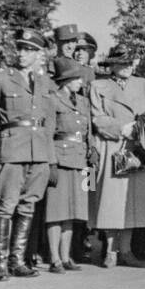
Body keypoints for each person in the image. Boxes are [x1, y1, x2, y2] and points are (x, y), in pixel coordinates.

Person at [0, 27, 59, 281]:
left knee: (28, 205)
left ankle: (17, 260)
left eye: (29, 50)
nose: (22, 54)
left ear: (38, 55)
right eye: (21, 48)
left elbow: (51, 122)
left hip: (40, 151)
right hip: (12, 150)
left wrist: (51, 158)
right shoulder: (0, 78)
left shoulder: (46, 82)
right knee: (6, 205)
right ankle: (0, 263)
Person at [89, 44, 145, 268]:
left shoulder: (142, 84)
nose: (127, 66)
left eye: (130, 62)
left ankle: (126, 250)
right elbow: (96, 117)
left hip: (136, 148)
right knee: (111, 201)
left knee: (132, 202)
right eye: (123, 62)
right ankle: (110, 250)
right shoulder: (98, 85)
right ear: (112, 65)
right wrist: (120, 128)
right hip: (111, 146)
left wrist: (140, 128)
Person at [44, 56, 93, 273]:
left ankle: (67, 256)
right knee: (56, 212)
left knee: (74, 211)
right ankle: (54, 258)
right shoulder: (53, 100)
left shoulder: (83, 102)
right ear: (65, 81)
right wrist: (51, 163)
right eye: (76, 79)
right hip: (61, 159)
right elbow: (48, 133)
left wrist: (92, 152)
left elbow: (88, 131)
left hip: (81, 160)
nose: (80, 82)